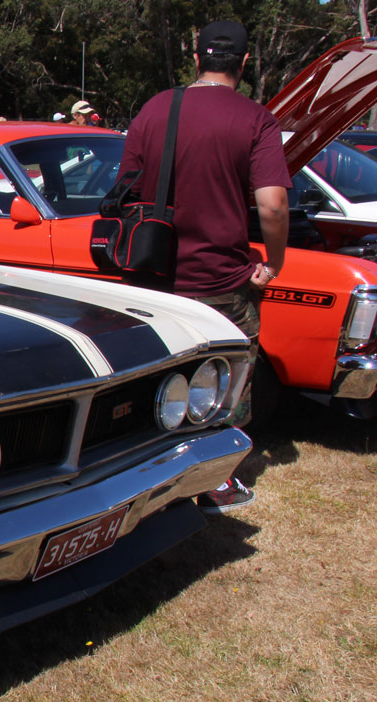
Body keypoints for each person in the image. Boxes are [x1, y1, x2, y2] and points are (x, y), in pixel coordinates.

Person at [119, 19, 290, 512]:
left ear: (196, 59)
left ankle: (144, 479)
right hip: (221, 282)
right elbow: (274, 206)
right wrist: (273, 263)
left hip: (153, 279)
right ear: (244, 63)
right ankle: (215, 482)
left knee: (155, 380)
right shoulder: (256, 119)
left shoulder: (155, 109)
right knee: (225, 384)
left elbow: (126, 190)